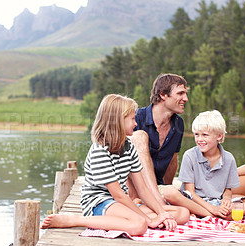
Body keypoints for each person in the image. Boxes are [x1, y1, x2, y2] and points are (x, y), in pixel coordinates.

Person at [41, 94, 190, 236]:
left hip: (120, 202)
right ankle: (74, 220)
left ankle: (125, 219)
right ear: (118, 121)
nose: (136, 123)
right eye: (132, 119)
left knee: (181, 214)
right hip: (99, 202)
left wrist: (162, 214)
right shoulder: (100, 150)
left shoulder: (129, 146)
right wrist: (150, 220)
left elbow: (142, 189)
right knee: (139, 224)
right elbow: (117, 195)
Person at [163, 110, 245, 219]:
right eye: (197, 135)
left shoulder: (229, 159)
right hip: (193, 202)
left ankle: (207, 214)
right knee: (169, 191)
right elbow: (190, 192)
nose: (200, 139)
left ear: (219, 136)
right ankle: (211, 215)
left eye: (205, 135)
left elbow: (228, 190)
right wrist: (212, 209)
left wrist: (226, 200)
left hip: (216, 202)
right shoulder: (189, 156)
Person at [128, 73, 189, 206]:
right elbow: (120, 159)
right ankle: (156, 202)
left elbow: (173, 159)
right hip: (131, 188)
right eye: (180, 93)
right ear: (163, 94)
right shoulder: (136, 118)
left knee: (185, 209)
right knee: (139, 136)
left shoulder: (178, 124)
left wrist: (168, 188)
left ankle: (158, 200)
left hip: (157, 186)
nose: (186, 98)